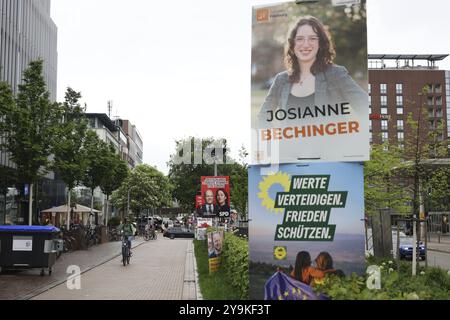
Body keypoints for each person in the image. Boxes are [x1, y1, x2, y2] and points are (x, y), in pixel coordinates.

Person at [258, 15, 367, 125]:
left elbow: (367, 109)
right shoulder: (281, 80)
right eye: (300, 39)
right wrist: (275, 140)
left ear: (320, 43)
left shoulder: (336, 75)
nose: (306, 44)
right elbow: (263, 117)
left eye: (312, 38)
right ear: (292, 44)